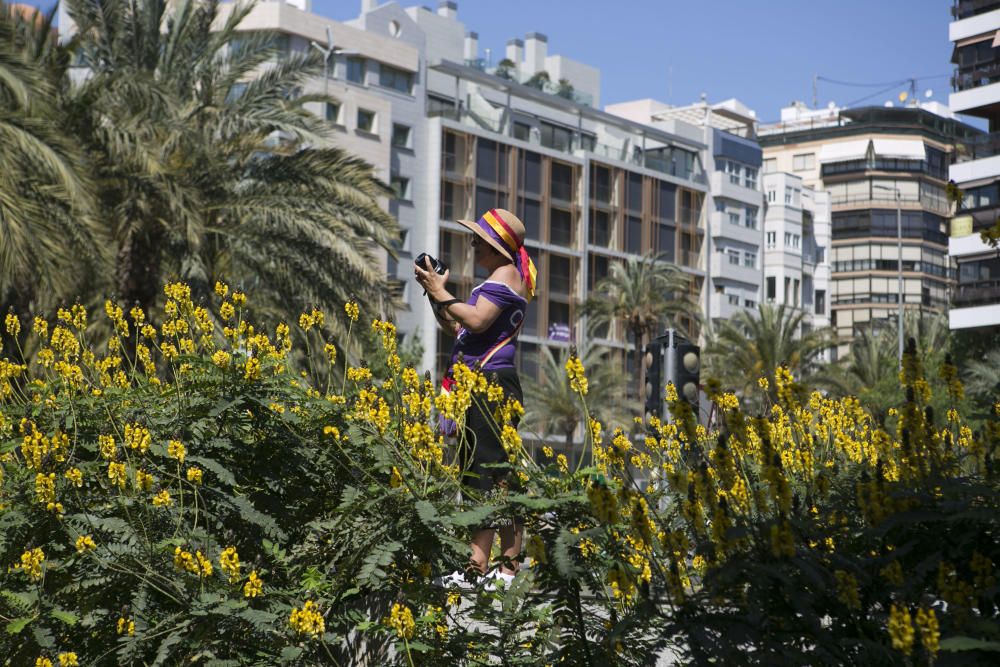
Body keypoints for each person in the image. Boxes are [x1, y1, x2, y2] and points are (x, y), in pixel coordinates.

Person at [414, 208, 536, 590]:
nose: (471, 243)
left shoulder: (506, 274)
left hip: (491, 386)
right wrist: (437, 297)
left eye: (478, 239)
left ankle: (496, 567)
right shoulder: (495, 279)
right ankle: (485, 567)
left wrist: (441, 292)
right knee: (482, 473)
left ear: (495, 246)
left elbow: (478, 320)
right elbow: (459, 327)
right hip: (479, 386)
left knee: (491, 474)